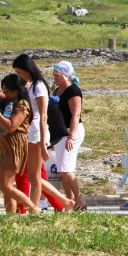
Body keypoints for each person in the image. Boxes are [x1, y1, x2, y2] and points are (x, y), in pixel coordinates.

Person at [0, 74, 39, 214]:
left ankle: (33, 208)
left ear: (16, 90)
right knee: (5, 186)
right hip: (5, 145)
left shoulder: (22, 104)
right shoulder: (9, 99)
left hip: (15, 145)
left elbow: (11, 126)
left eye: (7, 90)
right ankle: (10, 215)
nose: (4, 93)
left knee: (6, 186)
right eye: (3, 89)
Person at [12, 54, 50, 211]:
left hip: (36, 133)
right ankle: (34, 207)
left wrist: (42, 143)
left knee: (35, 176)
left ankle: (34, 208)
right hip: (30, 131)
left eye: (20, 72)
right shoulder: (31, 85)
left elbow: (43, 115)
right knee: (32, 174)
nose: (20, 76)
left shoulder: (39, 86)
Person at [52, 61, 86, 211]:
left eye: (57, 76)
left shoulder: (74, 90)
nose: (55, 79)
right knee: (62, 169)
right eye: (54, 76)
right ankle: (69, 202)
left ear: (66, 75)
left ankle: (80, 201)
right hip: (60, 132)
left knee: (67, 168)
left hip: (72, 130)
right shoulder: (57, 91)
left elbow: (76, 115)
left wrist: (71, 136)